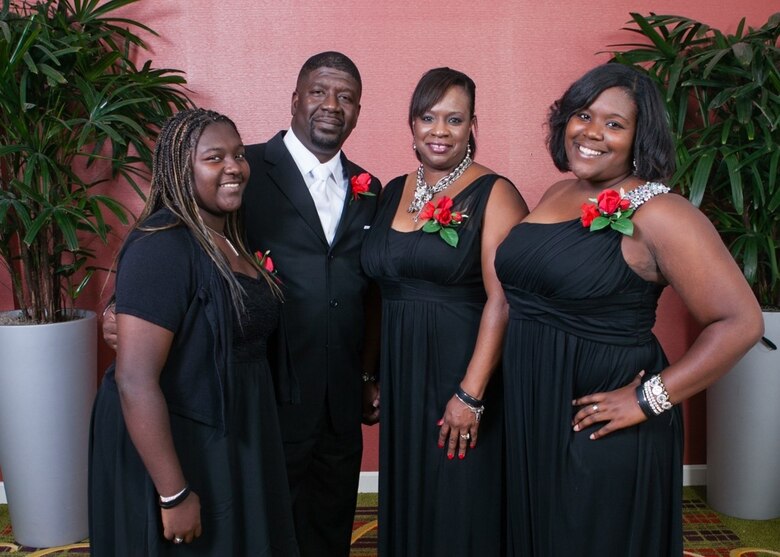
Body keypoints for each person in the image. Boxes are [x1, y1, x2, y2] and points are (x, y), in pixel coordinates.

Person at [495, 63, 764, 556]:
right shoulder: (561, 192)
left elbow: (742, 323)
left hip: (598, 424)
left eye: (615, 124)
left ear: (641, 137)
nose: (592, 132)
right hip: (534, 407)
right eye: (583, 114)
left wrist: (648, 399)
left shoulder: (661, 213)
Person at [89, 108, 298, 556]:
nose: (234, 168)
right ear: (180, 169)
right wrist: (174, 493)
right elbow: (134, 379)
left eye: (240, 156)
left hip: (230, 430)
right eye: (214, 157)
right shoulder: (161, 243)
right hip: (181, 441)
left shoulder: (227, 235)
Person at [361, 67, 528, 556]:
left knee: (460, 499)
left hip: (461, 372)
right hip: (401, 376)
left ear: (473, 125)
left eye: (454, 119)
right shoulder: (391, 190)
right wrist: (369, 372)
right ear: (411, 123)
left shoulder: (494, 193)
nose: (439, 131)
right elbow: (376, 290)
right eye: (428, 117)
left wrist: (471, 394)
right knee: (412, 493)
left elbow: (505, 299)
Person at [242, 52, 381, 557]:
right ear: (295, 99)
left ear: (358, 111)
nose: (332, 105)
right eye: (320, 92)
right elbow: (183, 230)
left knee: (330, 520)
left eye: (345, 97)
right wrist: (119, 302)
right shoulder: (247, 167)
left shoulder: (371, 188)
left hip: (340, 394)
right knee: (269, 523)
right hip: (269, 388)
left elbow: (373, 291)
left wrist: (368, 374)